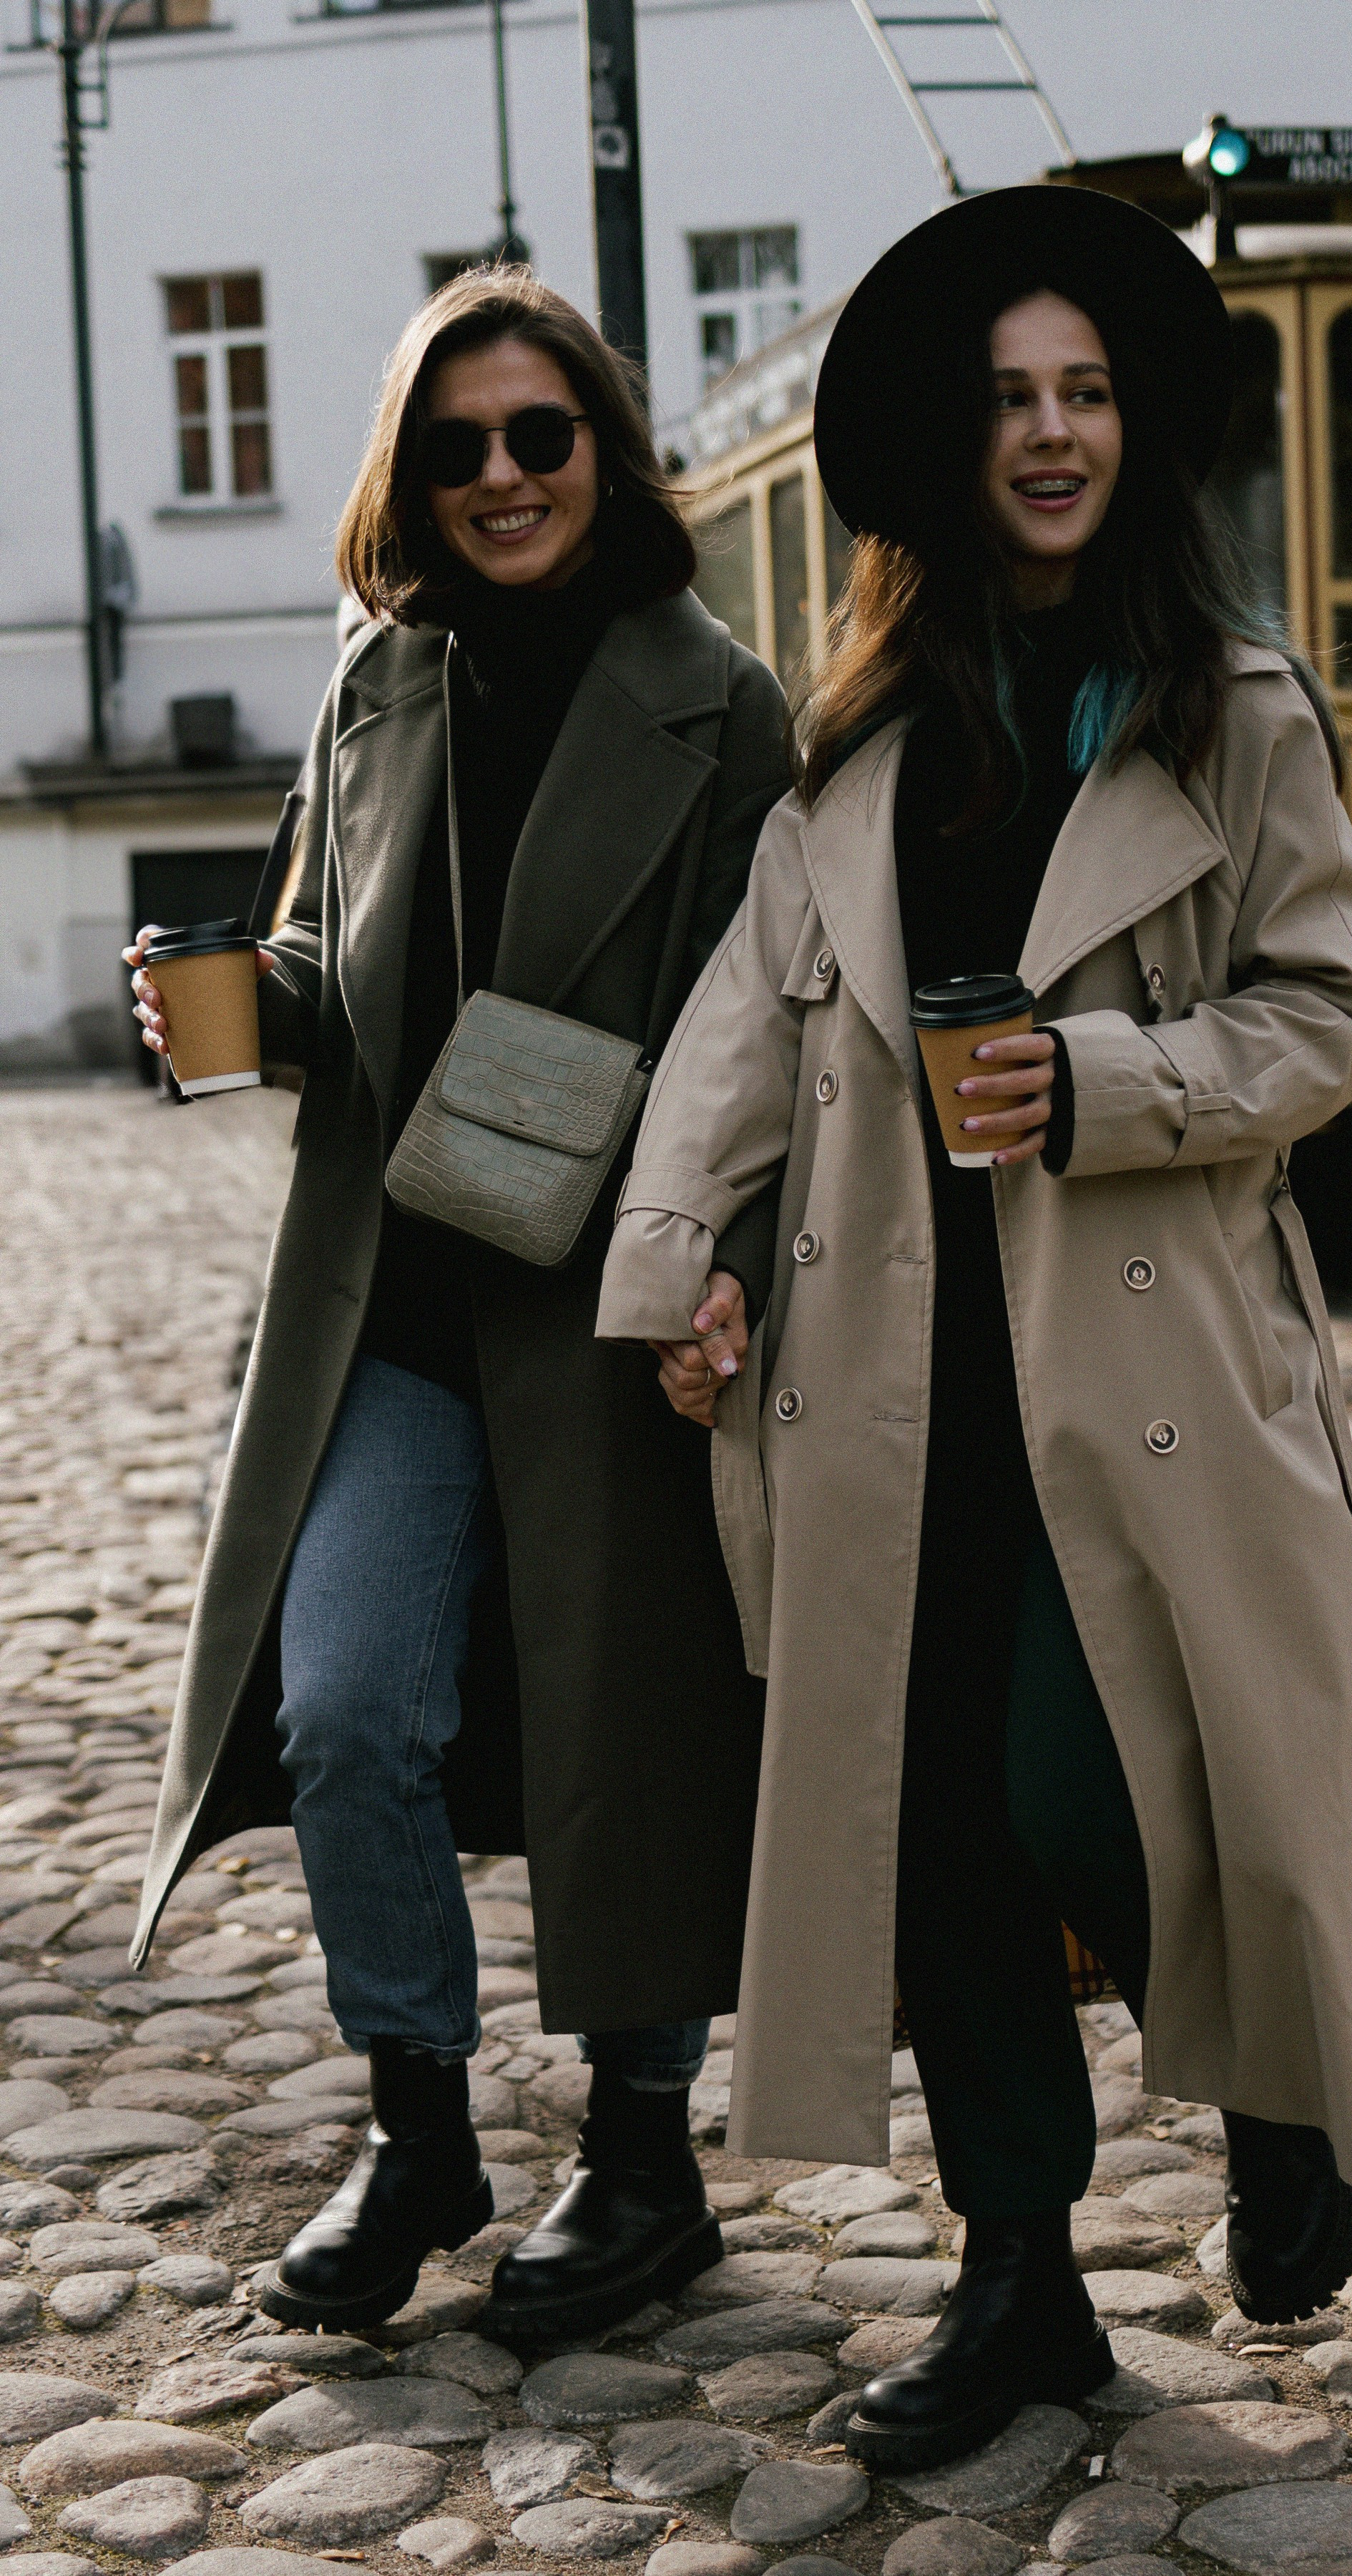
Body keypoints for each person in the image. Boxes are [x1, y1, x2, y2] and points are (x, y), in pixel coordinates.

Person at [596, 185, 1352, 2469]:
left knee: (1086, 1787)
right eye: (1012, 401)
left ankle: (1271, 2083)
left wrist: (1116, 1086)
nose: (1052, 434)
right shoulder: (851, 743)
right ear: (954, 446)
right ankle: (1023, 2283)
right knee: (939, 1818)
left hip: (1144, 1369)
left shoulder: (1233, 710)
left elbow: (1335, 1015)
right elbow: (743, 1038)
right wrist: (688, 1266)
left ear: (1135, 431)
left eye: (1088, 395)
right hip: (886, 1378)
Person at [125, 268, 790, 2338]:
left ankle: (647, 2162)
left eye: (538, 436)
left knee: (632, 1723)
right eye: (455, 446)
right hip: (398, 1295)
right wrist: (221, 1005)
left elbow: (776, 1033)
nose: (500, 478)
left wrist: (736, 1267)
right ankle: (418, 2123)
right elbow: (342, 980)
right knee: (345, 1708)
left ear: (603, 445)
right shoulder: (374, 681)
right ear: (409, 475)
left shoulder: (721, 703)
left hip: (620, 1289)